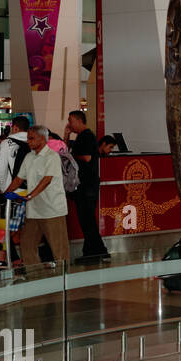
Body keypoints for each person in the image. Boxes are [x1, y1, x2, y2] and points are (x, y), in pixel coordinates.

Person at [4, 125, 69, 267]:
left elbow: (46, 180)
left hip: (52, 210)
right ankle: (34, 276)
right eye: (28, 138)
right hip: (33, 210)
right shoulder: (29, 157)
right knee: (27, 245)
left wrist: (30, 196)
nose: (28, 141)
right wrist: (6, 194)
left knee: (59, 248)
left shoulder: (52, 157)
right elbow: (19, 179)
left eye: (31, 138)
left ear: (42, 139)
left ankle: (64, 278)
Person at [64, 110, 108, 261]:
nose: (69, 124)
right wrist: (67, 136)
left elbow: (88, 158)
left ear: (78, 120)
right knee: (86, 219)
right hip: (85, 185)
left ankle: (96, 251)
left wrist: (72, 156)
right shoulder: (82, 137)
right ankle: (93, 250)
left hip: (87, 185)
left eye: (70, 121)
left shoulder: (87, 136)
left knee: (87, 219)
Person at [0, 115, 30, 191]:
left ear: (15, 128)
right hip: (33, 189)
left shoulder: (6, 143)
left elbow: (2, 170)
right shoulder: (34, 142)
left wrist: (4, 189)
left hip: (13, 189)